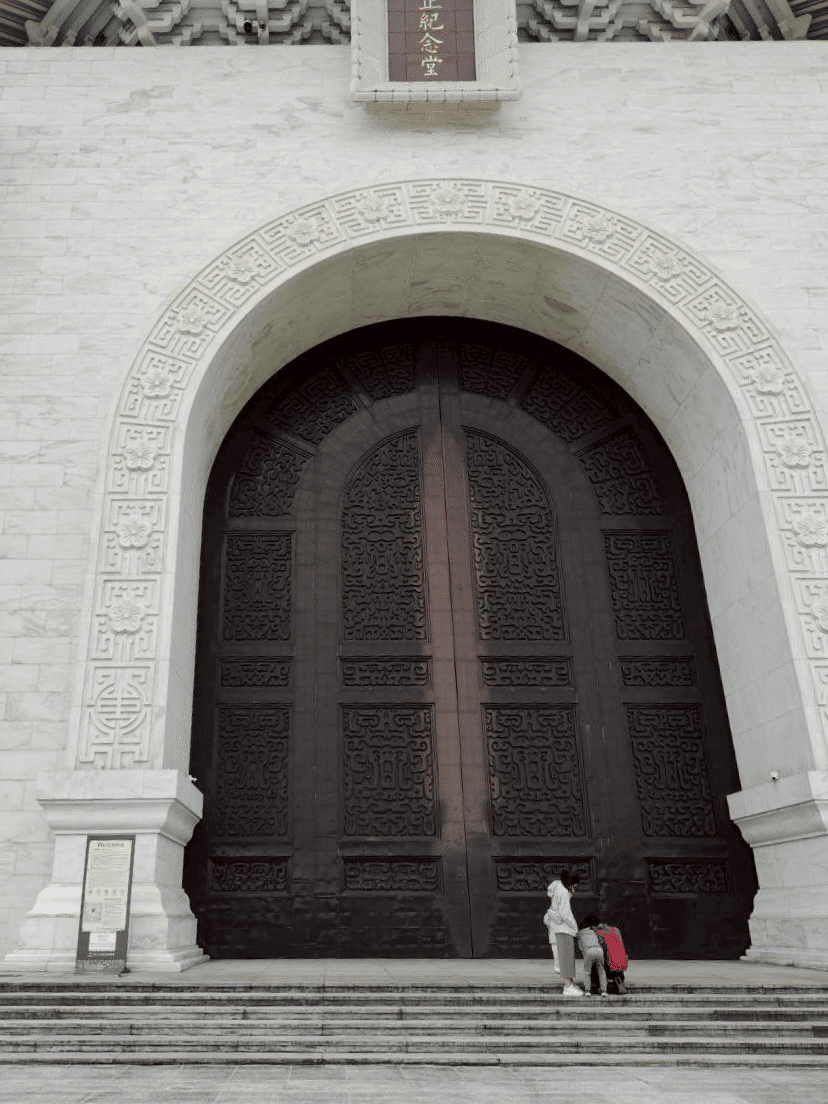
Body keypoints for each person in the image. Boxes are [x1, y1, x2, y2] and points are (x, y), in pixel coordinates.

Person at [543, 870, 583, 997]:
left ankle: (570, 983)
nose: (576, 887)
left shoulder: (558, 886)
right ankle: (568, 986)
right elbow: (566, 913)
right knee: (566, 957)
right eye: (575, 884)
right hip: (563, 927)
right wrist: (574, 927)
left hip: (556, 923)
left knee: (563, 954)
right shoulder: (564, 892)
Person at [577, 914, 608, 998]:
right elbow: (601, 941)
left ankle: (587, 991)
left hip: (588, 951)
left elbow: (581, 947)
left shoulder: (580, 934)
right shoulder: (595, 931)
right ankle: (604, 991)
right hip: (599, 950)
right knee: (601, 971)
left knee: (587, 972)